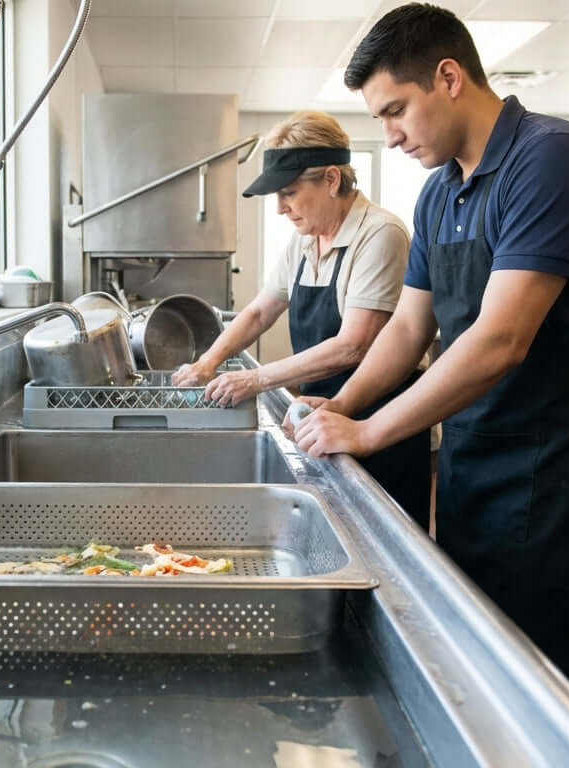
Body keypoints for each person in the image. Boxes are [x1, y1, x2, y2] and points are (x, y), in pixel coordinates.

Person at [287, 3, 569, 689]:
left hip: (556, 457)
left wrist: (371, 431)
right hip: (477, 449)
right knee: (478, 647)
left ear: (448, 77)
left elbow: (501, 339)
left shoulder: (551, 157)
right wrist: (340, 407)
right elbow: (410, 329)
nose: (388, 138)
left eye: (395, 111)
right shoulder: (439, 194)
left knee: (538, 671)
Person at [170, 110, 432, 527]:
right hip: (322, 415)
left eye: (289, 192)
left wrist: (255, 379)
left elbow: (354, 344)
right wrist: (208, 362)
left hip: (379, 423)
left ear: (331, 180)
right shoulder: (304, 239)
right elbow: (259, 312)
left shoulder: (380, 235)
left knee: (383, 541)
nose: (280, 209)